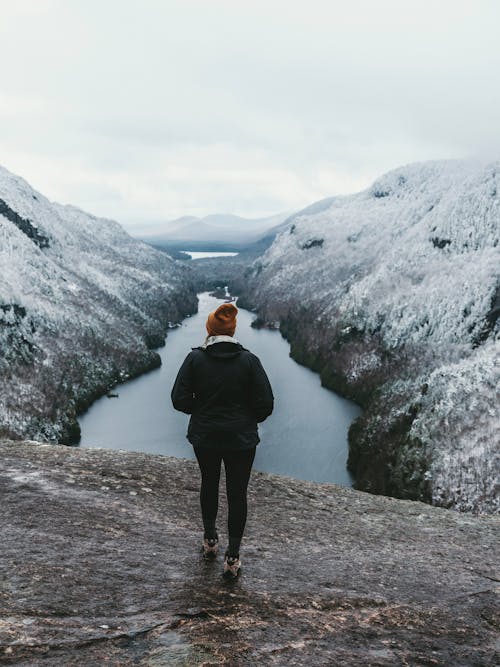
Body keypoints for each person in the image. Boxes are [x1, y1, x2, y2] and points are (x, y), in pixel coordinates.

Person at [171, 301, 274, 578]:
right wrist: (245, 419)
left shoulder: (195, 359)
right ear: (232, 330)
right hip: (241, 440)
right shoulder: (249, 361)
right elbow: (266, 405)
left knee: (209, 483)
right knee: (237, 494)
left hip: (205, 436)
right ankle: (233, 557)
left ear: (210, 330)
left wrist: (202, 411)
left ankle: (210, 542)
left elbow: (178, 399)